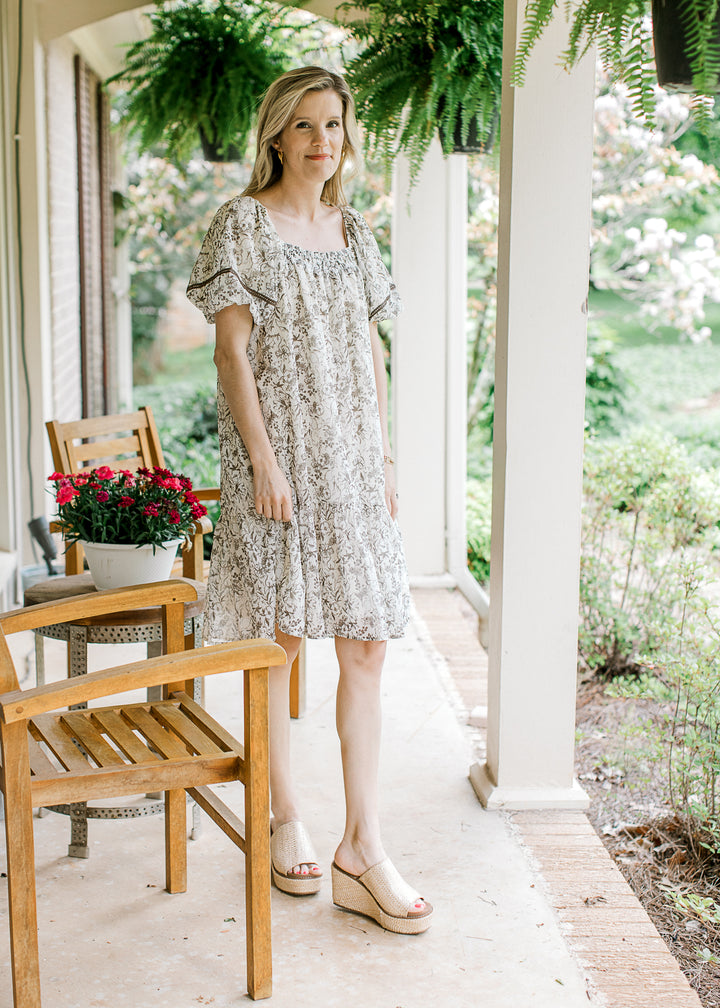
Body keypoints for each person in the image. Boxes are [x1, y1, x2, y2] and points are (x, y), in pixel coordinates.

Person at [186, 66, 432, 935]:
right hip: (280, 467)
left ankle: (363, 846)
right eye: (305, 126)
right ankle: (285, 812)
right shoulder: (243, 225)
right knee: (281, 644)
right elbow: (232, 357)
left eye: (334, 124)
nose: (322, 141)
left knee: (366, 648)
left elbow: (371, 348)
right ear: (277, 137)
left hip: (355, 470)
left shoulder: (354, 230)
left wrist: (385, 454)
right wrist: (262, 459)